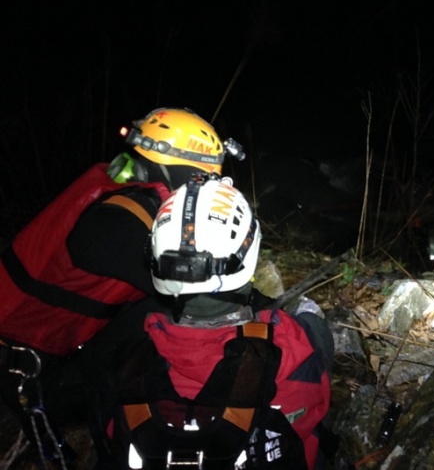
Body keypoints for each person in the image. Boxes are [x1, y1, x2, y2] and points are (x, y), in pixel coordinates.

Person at [0, 108, 244, 467]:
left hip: (67, 336)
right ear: (179, 171)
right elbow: (195, 293)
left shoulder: (128, 189)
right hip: (25, 351)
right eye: (202, 178)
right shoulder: (116, 222)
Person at [109, 175, 333, 470]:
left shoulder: (134, 351)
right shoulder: (289, 343)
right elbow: (314, 408)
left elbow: (114, 435)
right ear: (249, 252)